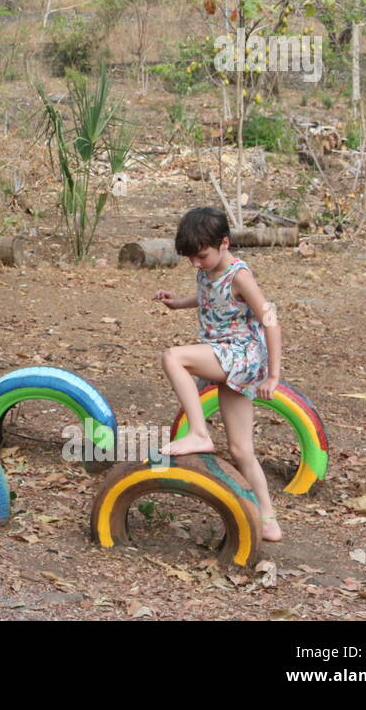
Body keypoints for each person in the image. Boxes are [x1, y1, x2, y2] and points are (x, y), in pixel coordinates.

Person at [154, 206, 283, 541]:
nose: (196, 264)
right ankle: (269, 520)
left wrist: (273, 376)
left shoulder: (240, 275)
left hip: (240, 355)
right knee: (241, 451)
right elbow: (207, 297)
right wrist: (177, 303)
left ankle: (199, 432)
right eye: (191, 259)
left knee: (173, 357)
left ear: (224, 243)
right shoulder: (206, 270)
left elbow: (270, 319)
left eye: (201, 256)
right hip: (225, 356)